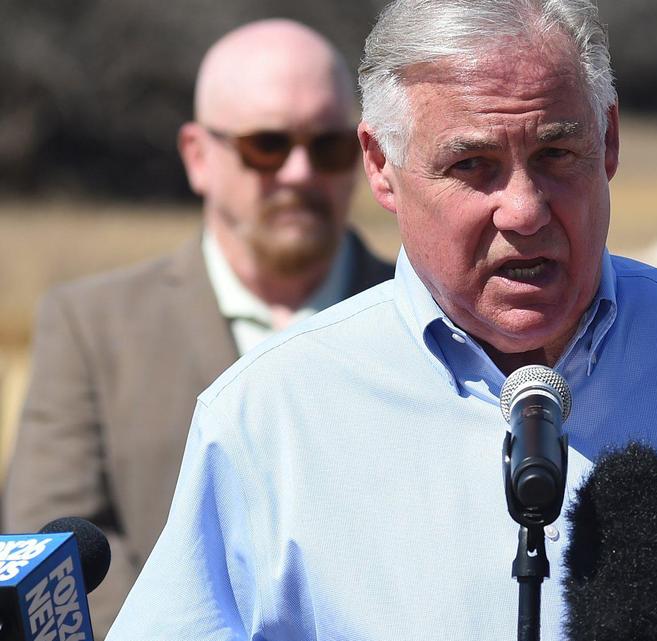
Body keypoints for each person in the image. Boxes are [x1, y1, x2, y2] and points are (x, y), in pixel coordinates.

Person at [108, 1, 657, 638]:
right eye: (473, 165)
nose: (524, 208)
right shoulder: (268, 414)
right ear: (381, 167)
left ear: (608, 141)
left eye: (556, 154)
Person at [2, 19, 396, 638]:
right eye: (266, 145)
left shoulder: (427, 316)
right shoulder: (91, 325)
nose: (298, 173)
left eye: (328, 146)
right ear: (197, 156)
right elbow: (52, 551)